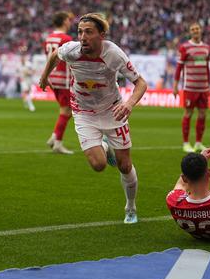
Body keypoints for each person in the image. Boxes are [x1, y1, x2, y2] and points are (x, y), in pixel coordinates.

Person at [39, 13, 147, 223]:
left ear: (101, 35)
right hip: (83, 112)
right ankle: (105, 148)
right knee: (98, 165)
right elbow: (54, 56)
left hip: (113, 111)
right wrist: (44, 77)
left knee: (125, 166)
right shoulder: (71, 50)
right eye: (80, 32)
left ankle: (131, 208)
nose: (82, 37)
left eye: (88, 32)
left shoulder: (113, 53)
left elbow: (140, 83)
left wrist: (128, 104)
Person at [173, 22, 210, 153]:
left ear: (201, 30)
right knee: (188, 113)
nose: (195, 30)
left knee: (202, 114)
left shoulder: (207, 47)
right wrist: (175, 85)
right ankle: (185, 143)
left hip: (203, 88)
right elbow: (179, 68)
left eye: (197, 28)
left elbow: (207, 68)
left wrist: (209, 85)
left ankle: (199, 143)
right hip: (190, 87)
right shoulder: (185, 47)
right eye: (192, 29)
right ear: (190, 32)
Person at [43, 11, 75, 154]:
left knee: (67, 110)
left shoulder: (49, 38)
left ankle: (55, 136)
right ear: (63, 21)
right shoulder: (66, 38)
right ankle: (58, 143)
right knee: (67, 110)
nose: (70, 22)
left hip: (53, 78)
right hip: (64, 79)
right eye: (68, 19)